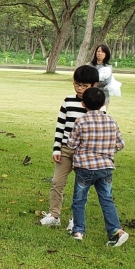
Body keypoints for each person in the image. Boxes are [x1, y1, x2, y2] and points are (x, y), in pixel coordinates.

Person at [39, 65, 99, 228]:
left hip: (85, 153)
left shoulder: (97, 105)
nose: (79, 89)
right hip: (66, 150)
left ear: (95, 85)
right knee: (57, 182)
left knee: (81, 187)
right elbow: (60, 126)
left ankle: (75, 219)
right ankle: (54, 215)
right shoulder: (68, 101)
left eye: (84, 86)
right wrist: (57, 148)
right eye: (76, 84)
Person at [66, 87, 128, 246]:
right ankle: (116, 230)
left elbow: (71, 144)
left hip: (85, 168)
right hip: (106, 168)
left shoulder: (81, 121)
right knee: (107, 199)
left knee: (79, 199)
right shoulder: (112, 120)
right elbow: (120, 144)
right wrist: (107, 151)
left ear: (83, 104)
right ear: (104, 103)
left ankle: (78, 230)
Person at [90, 44, 115, 111]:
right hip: (90, 94)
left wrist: (93, 83)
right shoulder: (89, 65)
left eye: (102, 52)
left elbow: (106, 81)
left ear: (106, 54)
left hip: (103, 95)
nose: (99, 53)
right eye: (98, 51)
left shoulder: (108, 67)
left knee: (101, 116)